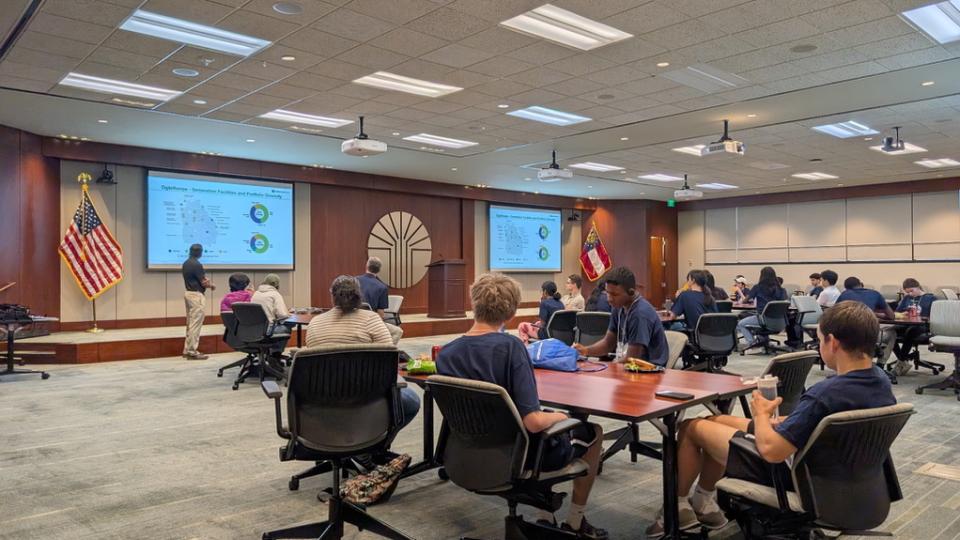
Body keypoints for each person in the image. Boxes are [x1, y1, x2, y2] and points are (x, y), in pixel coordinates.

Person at [645, 301, 896, 538]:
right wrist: (786, 420)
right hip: (837, 472)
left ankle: (680, 508)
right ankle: (703, 502)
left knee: (692, 427)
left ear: (833, 343)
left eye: (820, 340)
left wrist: (762, 415)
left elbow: (771, 451)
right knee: (717, 419)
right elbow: (826, 423)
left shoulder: (826, 393)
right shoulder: (880, 381)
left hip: (794, 475)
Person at [437, 273, 608, 539]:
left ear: (473, 304)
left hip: (463, 455)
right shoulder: (512, 348)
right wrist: (560, 416)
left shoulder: (446, 353)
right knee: (590, 431)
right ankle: (575, 522)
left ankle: (545, 516)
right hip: (516, 457)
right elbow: (533, 421)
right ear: (511, 311)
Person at [305, 275, 420, 429]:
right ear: (359, 295)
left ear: (332, 295)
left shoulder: (315, 323)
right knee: (412, 402)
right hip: (367, 396)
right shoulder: (372, 319)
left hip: (323, 396)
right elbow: (389, 361)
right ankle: (377, 438)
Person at [573, 267, 668, 366]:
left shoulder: (639, 314)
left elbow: (633, 359)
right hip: (628, 366)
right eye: (607, 293)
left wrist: (608, 367)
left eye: (614, 294)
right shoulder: (618, 306)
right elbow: (608, 343)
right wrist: (585, 350)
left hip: (648, 369)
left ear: (631, 292)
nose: (609, 299)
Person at [836, 276, 897, 367]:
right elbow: (891, 316)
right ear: (861, 284)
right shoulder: (875, 294)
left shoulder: (844, 295)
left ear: (846, 288)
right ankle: (881, 364)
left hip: (848, 336)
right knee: (892, 333)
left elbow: (834, 314)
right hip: (870, 335)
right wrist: (875, 314)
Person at [737, 266, 787, 348]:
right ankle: (763, 341)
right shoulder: (782, 289)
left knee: (741, 323)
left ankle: (752, 343)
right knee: (756, 318)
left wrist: (740, 292)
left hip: (764, 320)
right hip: (781, 323)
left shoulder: (757, 287)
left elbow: (745, 301)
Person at [892, 278, 937, 370]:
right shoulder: (907, 298)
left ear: (918, 287)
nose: (910, 294)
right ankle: (903, 360)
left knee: (911, 331)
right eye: (907, 292)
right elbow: (897, 312)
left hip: (923, 326)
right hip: (907, 324)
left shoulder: (931, 298)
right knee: (890, 331)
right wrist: (903, 314)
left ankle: (901, 361)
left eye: (911, 291)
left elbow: (936, 316)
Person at [357, 256, 403, 344]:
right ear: (379, 270)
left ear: (366, 266)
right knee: (398, 331)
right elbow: (380, 314)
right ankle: (383, 350)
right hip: (370, 322)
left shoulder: (354, 281)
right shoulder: (382, 287)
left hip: (352, 319)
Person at [182, 243, 215, 360]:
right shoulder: (197, 264)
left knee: (190, 323)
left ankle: (187, 349)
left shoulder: (186, 263)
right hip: (196, 296)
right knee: (195, 324)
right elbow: (203, 282)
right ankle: (192, 351)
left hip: (188, 293)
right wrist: (212, 285)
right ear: (199, 252)